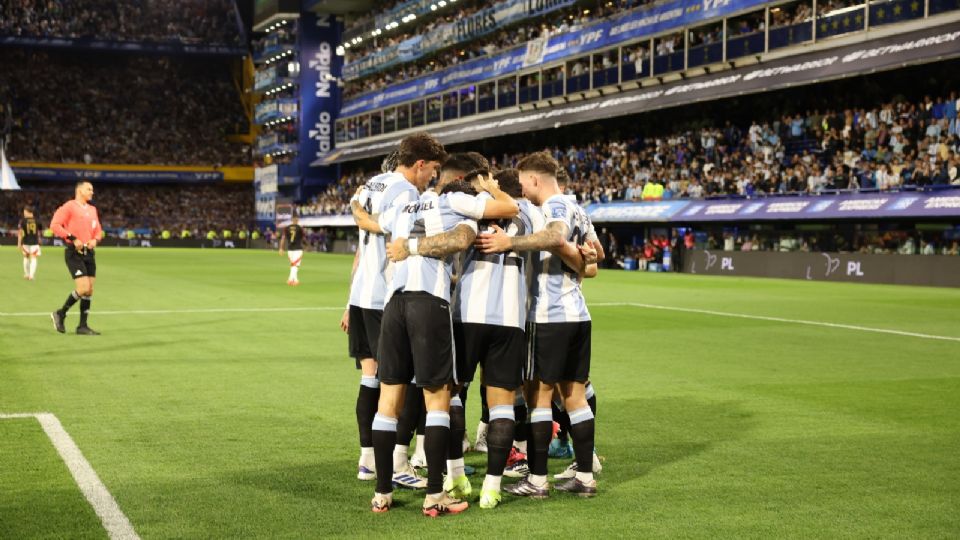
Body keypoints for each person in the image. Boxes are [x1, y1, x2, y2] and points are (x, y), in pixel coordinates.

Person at [362, 173, 500, 516]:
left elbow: (371, 221)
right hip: (429, 302)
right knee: (437, 399)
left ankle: (382, 493)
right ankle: (436, 494)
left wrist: (356, 200)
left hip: (395, 304)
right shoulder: (451, 202)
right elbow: (461, 239)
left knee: (388, 402)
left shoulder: (401, 206)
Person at [386, 169, 525, 509]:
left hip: (466, 314)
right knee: (502, 404)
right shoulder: (531, 214)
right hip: (510, 318)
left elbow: (457, 240)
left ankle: (455, 476)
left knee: (449, 395)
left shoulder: (462, 208)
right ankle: (492, 489)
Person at [477, 151, 600, 498]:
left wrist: (509, 242)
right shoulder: (578, 207)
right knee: (575, 396)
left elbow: (555, 236)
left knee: (539, 398)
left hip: (548, 314)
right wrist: (582, 257)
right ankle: (586, 477)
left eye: (524, 181)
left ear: (533, 179)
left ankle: (538, 480)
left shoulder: (552, 209)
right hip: (578, 314)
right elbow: (596, 255)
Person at [339, 135, 445, 492]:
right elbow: (382, 232)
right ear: (419, 164)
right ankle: (399, 459)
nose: (431, 178)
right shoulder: (407, 194)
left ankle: (367, 459)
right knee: (406, 381)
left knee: (372, 380)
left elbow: (360, 237)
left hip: (361, 294)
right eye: (431, 170)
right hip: (388, 295)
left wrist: (348, 300)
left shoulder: (370, 184)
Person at [50, 181, 102, 335]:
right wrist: (73, 238)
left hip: (89, 253)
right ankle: (60, 313)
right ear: (79, 191)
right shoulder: (69, 206)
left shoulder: (93, 209)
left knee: (89, 290)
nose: (92, 192)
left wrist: (95, 240)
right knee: (83, 288)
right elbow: (55, 225)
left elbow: (98, 230)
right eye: (89, 189)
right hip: (74, 253)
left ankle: (82, 326)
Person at [278, 215, 304, 285]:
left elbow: (283, 238)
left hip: (290, 249)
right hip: (298, 248)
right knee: (295, 265)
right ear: (297, 220)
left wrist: (281, 248)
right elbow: (303, 238)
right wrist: (307, 245)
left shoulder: (287, 228)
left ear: (292, 220)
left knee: (293, 265)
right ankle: (293, 280)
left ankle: (291, 279)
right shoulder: (300, 228)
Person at [17, 206, 42, 281]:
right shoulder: (38, 220)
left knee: (26, 257)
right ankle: (31, 275)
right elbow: (39, 232)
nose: (24, 213)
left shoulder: (23, 221)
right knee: (34, 258)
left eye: (25, 212)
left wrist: (19, 243)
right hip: (35, 242)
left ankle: (27, 274)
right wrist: (39, 239)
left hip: (25, 242)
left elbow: (20, 233)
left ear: (28, 212)